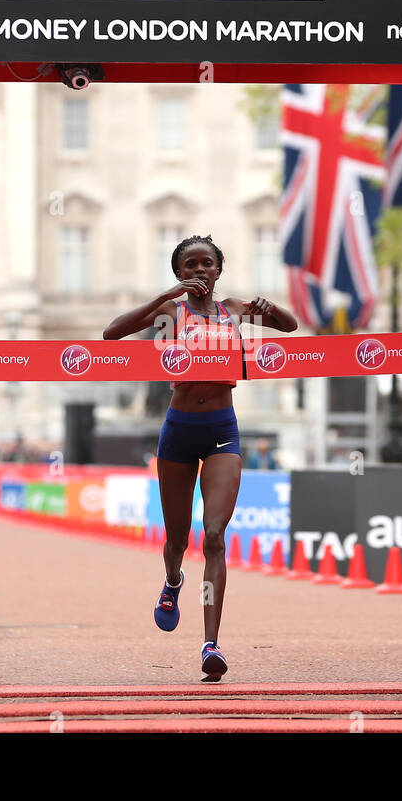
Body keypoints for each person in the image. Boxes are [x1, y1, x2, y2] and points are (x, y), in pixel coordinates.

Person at [104, 234, 298, 681]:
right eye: (189, 266)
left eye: (206, 264)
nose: (199, 271)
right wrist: (163, 297)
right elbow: (111, 333)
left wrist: (267, 308)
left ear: (217, 269)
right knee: (177, 540)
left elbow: (289, 327)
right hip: (178, 433)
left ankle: (212, 644)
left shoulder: (233, 309)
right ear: (179, 273)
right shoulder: (173, 311)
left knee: (213, 536)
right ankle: (173, 581)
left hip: (221, 433)